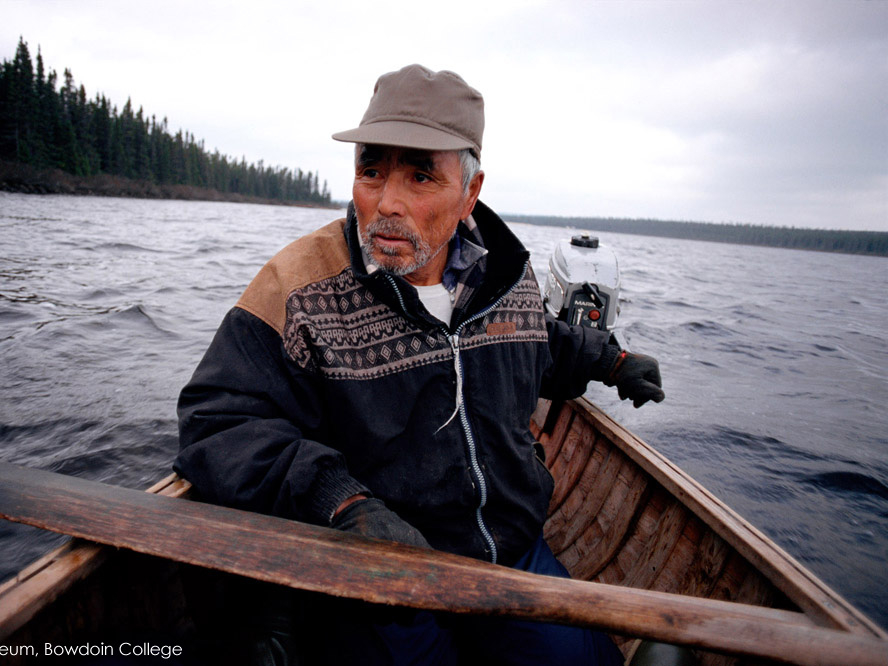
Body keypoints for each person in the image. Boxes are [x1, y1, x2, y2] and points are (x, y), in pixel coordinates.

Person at [175, 64, 664, 665]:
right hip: (384, 571)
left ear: (471, 193)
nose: (386, 203)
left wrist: (612, 360)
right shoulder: (297, 288)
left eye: (420, 175)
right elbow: (219, 421)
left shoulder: (507, 276)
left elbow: (539, 346)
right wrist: (344, 502)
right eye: (371, 171)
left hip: (510, 551)